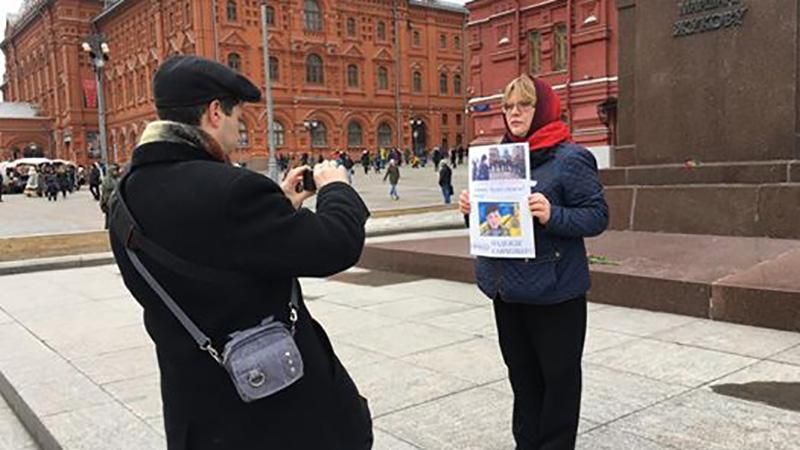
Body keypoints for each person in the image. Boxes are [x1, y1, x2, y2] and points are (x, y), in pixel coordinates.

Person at [107, 56, 373, 449]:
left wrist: (278, 206)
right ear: (215, 112)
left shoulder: (123, 197)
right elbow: (336, 245)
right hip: (276, 413)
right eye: (237, 119)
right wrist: (337, 188)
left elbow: (213, 254)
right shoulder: (232, 189)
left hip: (196, 413)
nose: (239, 132)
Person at [459, 74, 608, 450]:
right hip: (506, 289)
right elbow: (497, 224)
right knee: (522, 378)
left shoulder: (570, 158)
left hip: (555, 290)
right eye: (508, 106)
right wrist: (472, 211)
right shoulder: (499, 159)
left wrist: (553, 213)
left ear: (541, 109)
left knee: (558, 381)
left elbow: (597, 216)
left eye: (523, 105)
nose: (514, 113)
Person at [100, 164, 120, 229]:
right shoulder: (107, 180)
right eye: (114, 171)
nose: (116, 172)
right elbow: (105, 190)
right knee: (109, 217)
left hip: (116, 200)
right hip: (109, 200)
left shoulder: (117, 179)